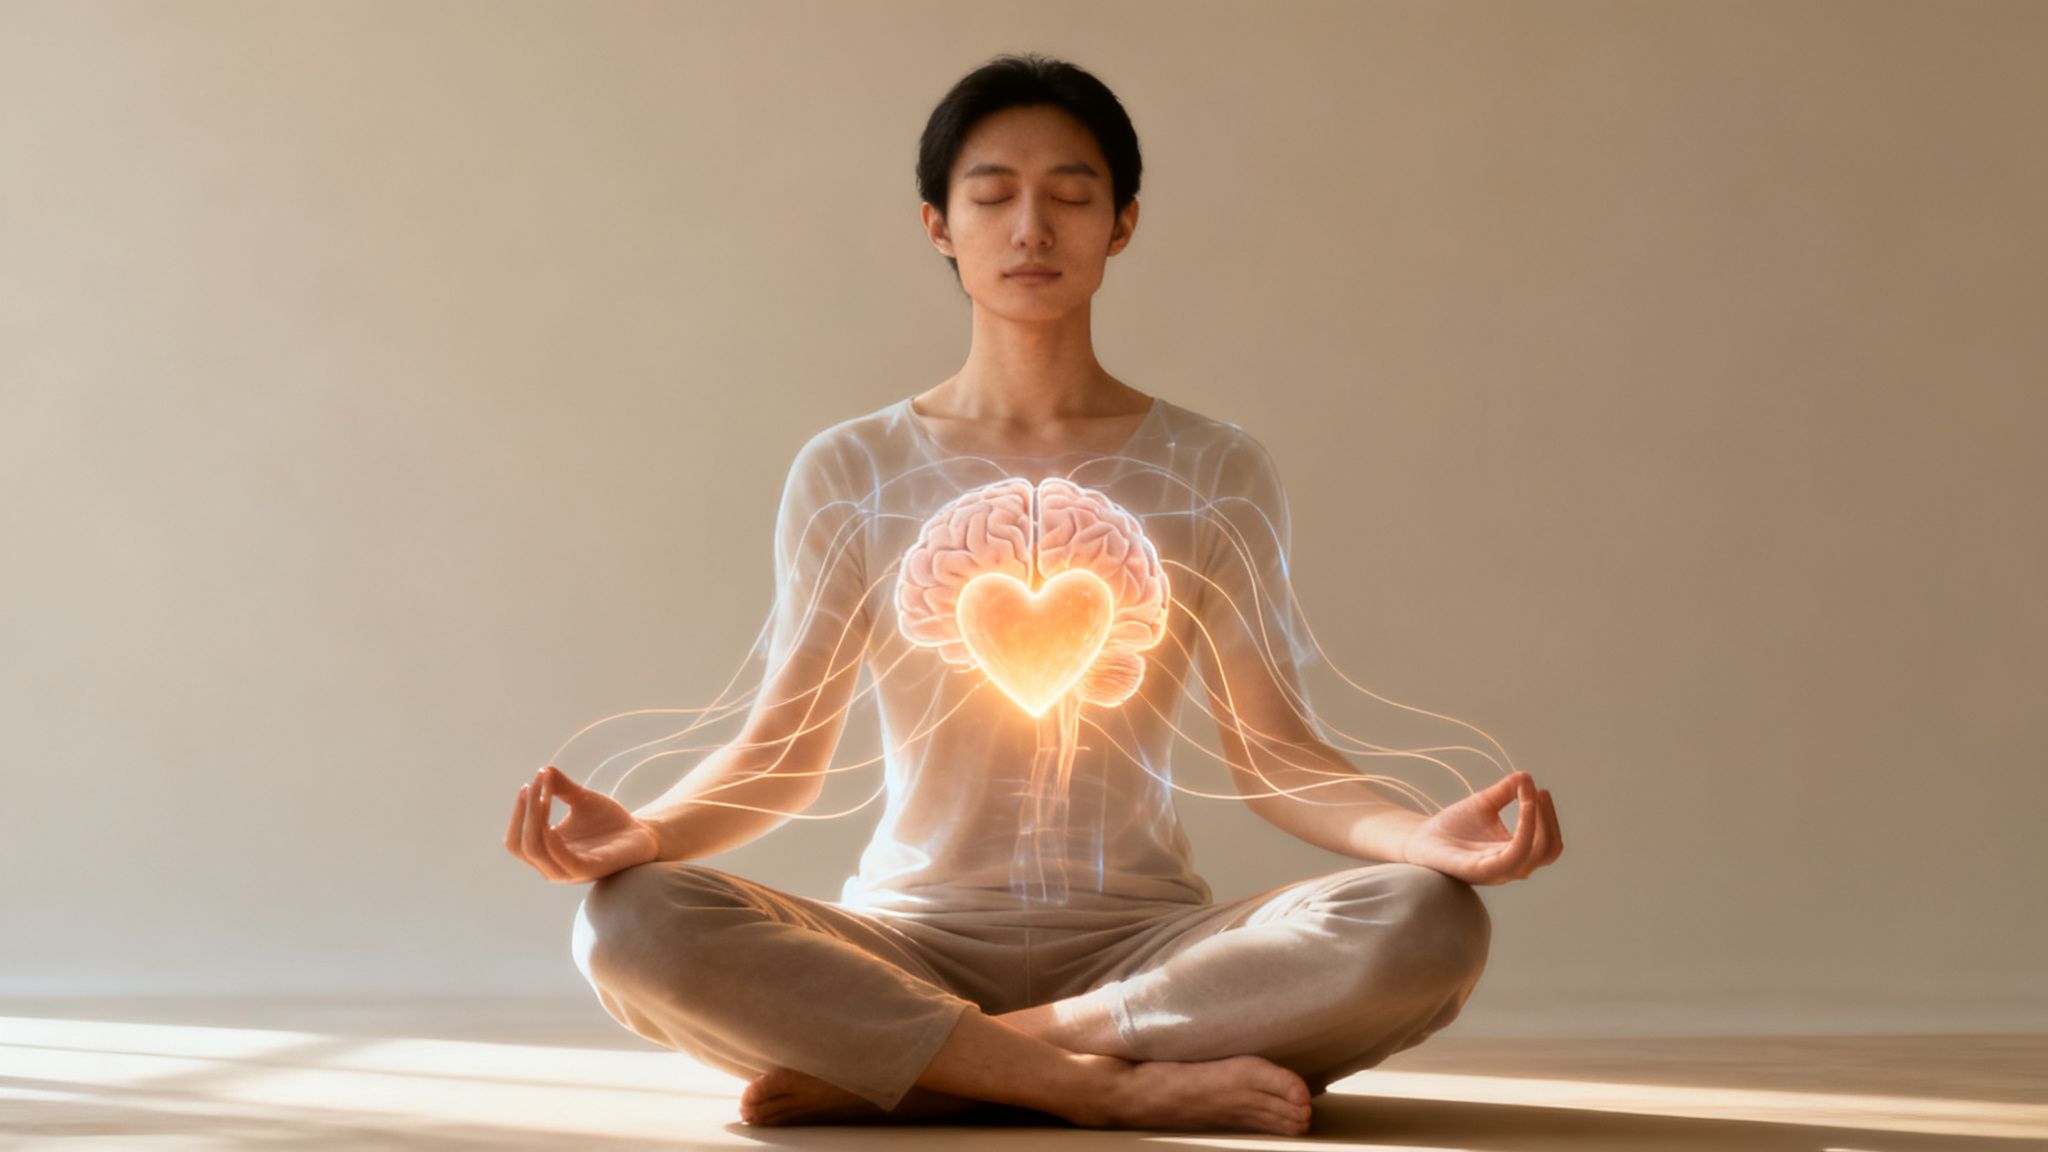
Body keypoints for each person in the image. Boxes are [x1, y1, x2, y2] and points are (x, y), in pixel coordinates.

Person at [503, 53, 1564, 1137]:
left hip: (1147, 950)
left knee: (1428, 923)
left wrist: (1416, 842)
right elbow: (780, 757)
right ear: (936, 224)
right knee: (628, 923)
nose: (1030, 230)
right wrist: (643, 837)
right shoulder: (851, 469)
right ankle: (1101, 1084)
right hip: (905, 943)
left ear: (1122, 222)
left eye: (1070, 195)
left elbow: (1277, 756)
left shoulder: (1213, 466)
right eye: (992, 196)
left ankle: (929, 1064)